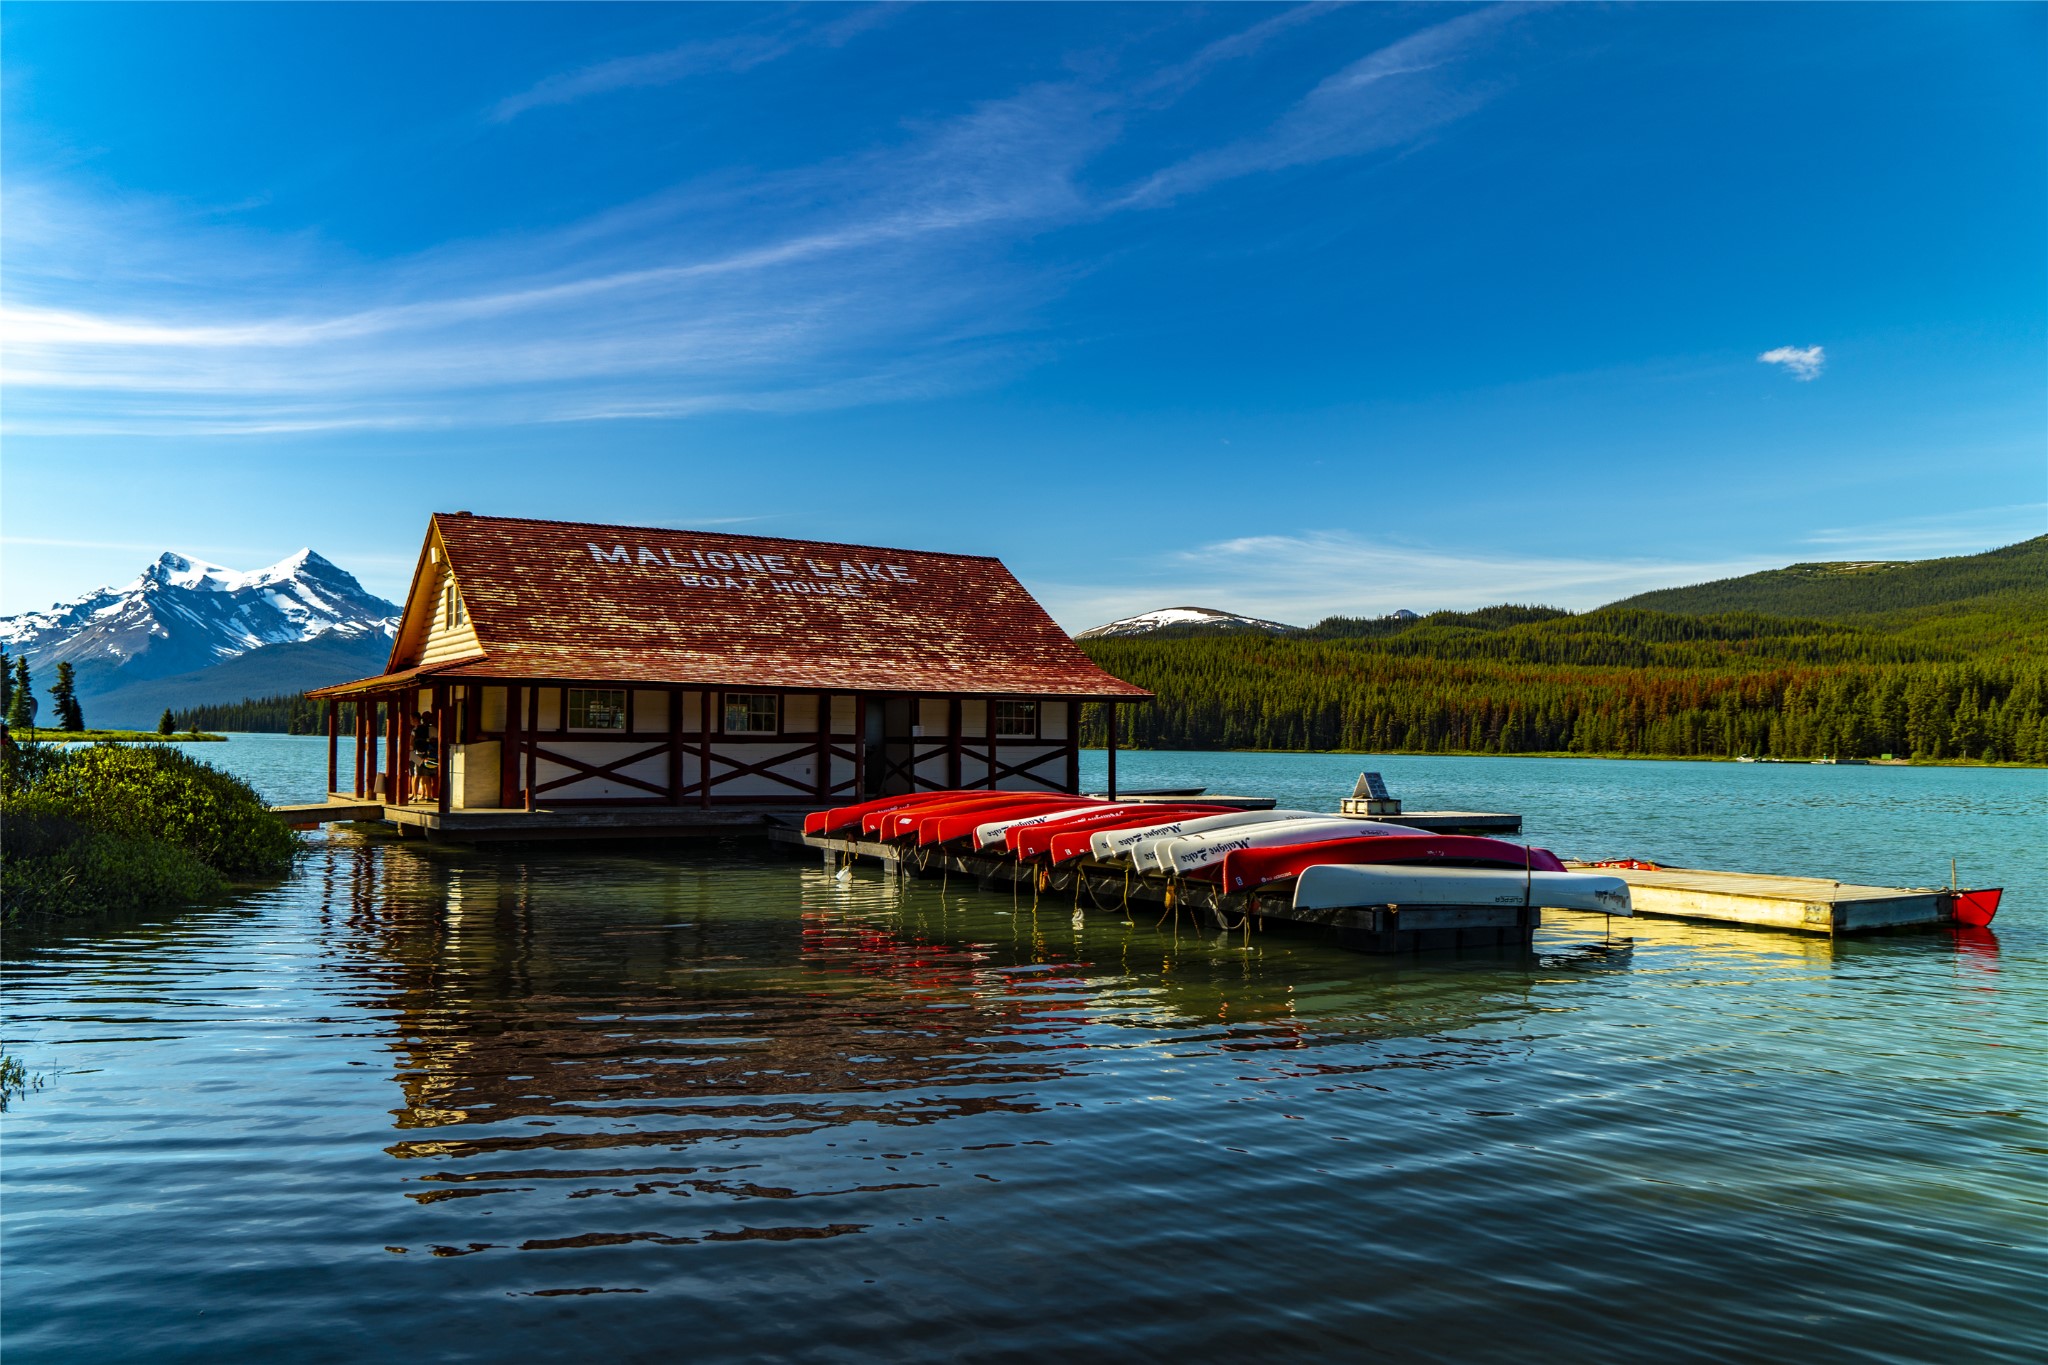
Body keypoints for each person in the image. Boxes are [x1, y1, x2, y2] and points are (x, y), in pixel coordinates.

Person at [410, 710, 438, 799]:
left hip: (423, 753)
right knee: (420, 775)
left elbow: (411, 741)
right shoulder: (421, 729)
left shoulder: (419, 729)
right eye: (425, 718)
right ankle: (419, 796)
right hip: (422, 753)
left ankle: (425, 796)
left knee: (422, 775)